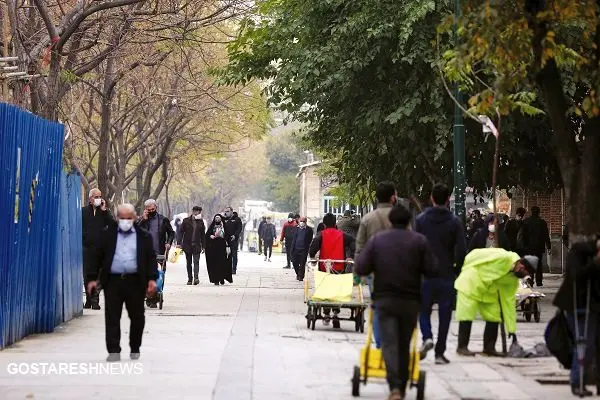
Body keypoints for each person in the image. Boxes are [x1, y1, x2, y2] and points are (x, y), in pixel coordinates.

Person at [354, 204, 438, 400]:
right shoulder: (420, 241)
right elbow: (432, 269)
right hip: (410, 302)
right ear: (409, 221)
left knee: (390, 342)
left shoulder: (377, 240)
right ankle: (400, 384)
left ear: (390, 221)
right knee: (404, 342)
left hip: (385, 299)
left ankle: (395, 388)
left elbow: (362, 266)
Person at [86, 203, 157, 362]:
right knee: (112, 316)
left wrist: (152, 279)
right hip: (113, 281)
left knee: (137, 316)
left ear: (134, 218)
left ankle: (135, 347)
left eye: (128, 218)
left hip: (135, 281)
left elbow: (151, 259)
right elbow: (96, 258)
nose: (125, 221)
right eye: (122, 218)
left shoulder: (144, 236)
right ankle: (113, 350)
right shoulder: (107, 235)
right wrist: (91, 278)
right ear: (117, 218)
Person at [416, 183, 467, 364]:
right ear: (447, 199)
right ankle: (439, 352)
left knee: (423, 309)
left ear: (431, 198)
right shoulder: (454, 222)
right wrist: (457, 270)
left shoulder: (421, 220)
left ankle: (427, 337)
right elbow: (461, 250)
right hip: (446, 274)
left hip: (425, 275)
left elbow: (416, 247)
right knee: (445, 314)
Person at [454, 248, 537, 357]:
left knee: (494, 316)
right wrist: (465, 267)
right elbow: (474, 254)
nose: (525, 275)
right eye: (526, 272)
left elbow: (508, 303)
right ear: (521, 265)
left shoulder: (512, 280)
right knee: (466, 314)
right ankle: (462, 347)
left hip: (488, 291)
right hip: (471, 282)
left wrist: (512, 330)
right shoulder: (503, 256)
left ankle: (489, 348)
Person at [552, 236, 600, 397]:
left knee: (592, 345)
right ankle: (577, 381)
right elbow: (577, 276)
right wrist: (595, 264)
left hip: (593, 305)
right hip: (578, 304)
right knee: (583, 344)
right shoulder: (580, 251)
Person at [354, 181, 397, 350]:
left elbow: (359, 247)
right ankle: (394, 340)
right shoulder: (400, 216)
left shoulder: (368, 219)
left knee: (378, 306)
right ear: (393, 197)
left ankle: (380, 344)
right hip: (399, 269)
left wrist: (357, 273)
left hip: (375, 271)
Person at [309, 213, 356, 327]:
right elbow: (353, 242)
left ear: (324, 224)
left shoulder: (321, 235)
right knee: (336, 291)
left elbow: (312, 248)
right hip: (339, 268)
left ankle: (326, 314)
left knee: (326, 292)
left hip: (324, 269)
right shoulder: (343, 235)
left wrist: (313, 256)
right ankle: (335, 313)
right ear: (335, 223)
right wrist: (351, 256)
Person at [138, 199, 174, 307]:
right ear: (145, 210)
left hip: (159, 253)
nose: (151, 211)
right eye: (149, 210)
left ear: (156, 208)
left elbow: (171, 233)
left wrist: (168, 243)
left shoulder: (163, 220)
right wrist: (143, 220)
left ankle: (155, 297)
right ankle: (149, 297)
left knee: (159, 276)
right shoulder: (142, 220)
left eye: (153, 209)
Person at [82, 188, 113, 310]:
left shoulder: (104, 212)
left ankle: (95, 301)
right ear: (90, 199)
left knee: (98, 276)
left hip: (101, 250)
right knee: (87, 276)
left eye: (100, 196)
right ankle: (89, 300)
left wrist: (105, 210)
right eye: (96, 197)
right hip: (87, 249)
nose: (98, 199)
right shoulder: (83, 211)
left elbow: (112, 224)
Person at [521, 206, 552, 286]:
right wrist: (549, 246)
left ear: (531, 212)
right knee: (538, 264)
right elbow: (546, 235)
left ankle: (530, 281)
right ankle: (539, 281)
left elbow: (523, 235)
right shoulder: (542, 222)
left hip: (528, 247)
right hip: (539, 246)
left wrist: (523, 245)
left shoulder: (526, 221)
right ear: (539, 212)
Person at [177, 206, 206, 285]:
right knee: (188, 262)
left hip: (196, 245)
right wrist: (179, 243)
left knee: (196, 262)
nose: (197, 213)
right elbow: (181, 232)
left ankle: (196, 278)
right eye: (196, 211)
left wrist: (204, 246)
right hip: (187, 245)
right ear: (193, 211)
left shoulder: (201, 222)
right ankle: (190, 279)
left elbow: (203, 235)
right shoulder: (186, 221)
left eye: (199, 212)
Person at [205, 214, 233, 285]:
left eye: (218, 218)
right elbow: (207, 235)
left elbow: (228, 236)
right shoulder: (212, 227)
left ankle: (222, 278)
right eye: (216, 218)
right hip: (213, 248)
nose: (217, 219)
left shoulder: (224, 227)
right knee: (214, 264)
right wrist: (210, 236)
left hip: (222, 247)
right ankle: (216, 279)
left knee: (222, 263)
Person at [290, 216, 314, 281]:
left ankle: (301, 276)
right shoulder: (295, 228)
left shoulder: (309, 230)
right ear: (299, 221)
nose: (302, 222)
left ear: (306, 222)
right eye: (301, 221)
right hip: (295, 249)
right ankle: (298, 273)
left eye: (304, 221)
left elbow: (310, 239)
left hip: (304, 249)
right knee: (295, 263)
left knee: (302, 263)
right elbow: (293, 238)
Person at [223, 207, 243, 274]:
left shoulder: (237, 219)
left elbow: (239, 228)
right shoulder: (224, 219)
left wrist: (235, 235)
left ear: (231, 211)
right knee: (226, 254)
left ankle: (233, 269)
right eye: (225, 211)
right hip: (226, 240)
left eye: (228, 211)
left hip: (233, 239)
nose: (226, 212)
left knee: (234, 254)